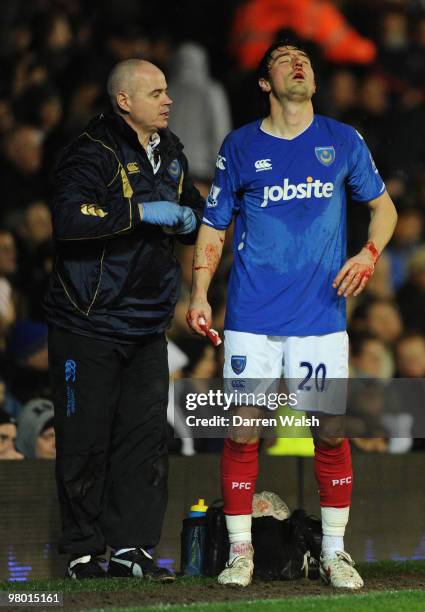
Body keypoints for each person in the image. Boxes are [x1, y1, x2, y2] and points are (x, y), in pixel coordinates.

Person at [187, 40, 397, 588]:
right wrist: (200, 291)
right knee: (242, 434)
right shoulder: (239, 146)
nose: (298, 62)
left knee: (328, 434)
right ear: (264, 82)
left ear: (315, 81)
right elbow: (214, 226)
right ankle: (240, 552)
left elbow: (383, 208)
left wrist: (368, 254)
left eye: (304, 58)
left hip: (320, 318)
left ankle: (334, 552)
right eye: (284, 58)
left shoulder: (342, 140)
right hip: (251, 319)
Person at [44, 59, 204, 580]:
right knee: (85, 438)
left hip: (147, 323)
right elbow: (68, 220)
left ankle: (133, 548)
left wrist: (193, 220)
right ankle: (86, 551)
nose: (169, 100)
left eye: (166, 91)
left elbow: (195, 217)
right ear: (124, 101)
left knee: (144, 440)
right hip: (87, 322)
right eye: (157, 92)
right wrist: (139, 213)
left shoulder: (172, 154)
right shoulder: (90, 153)